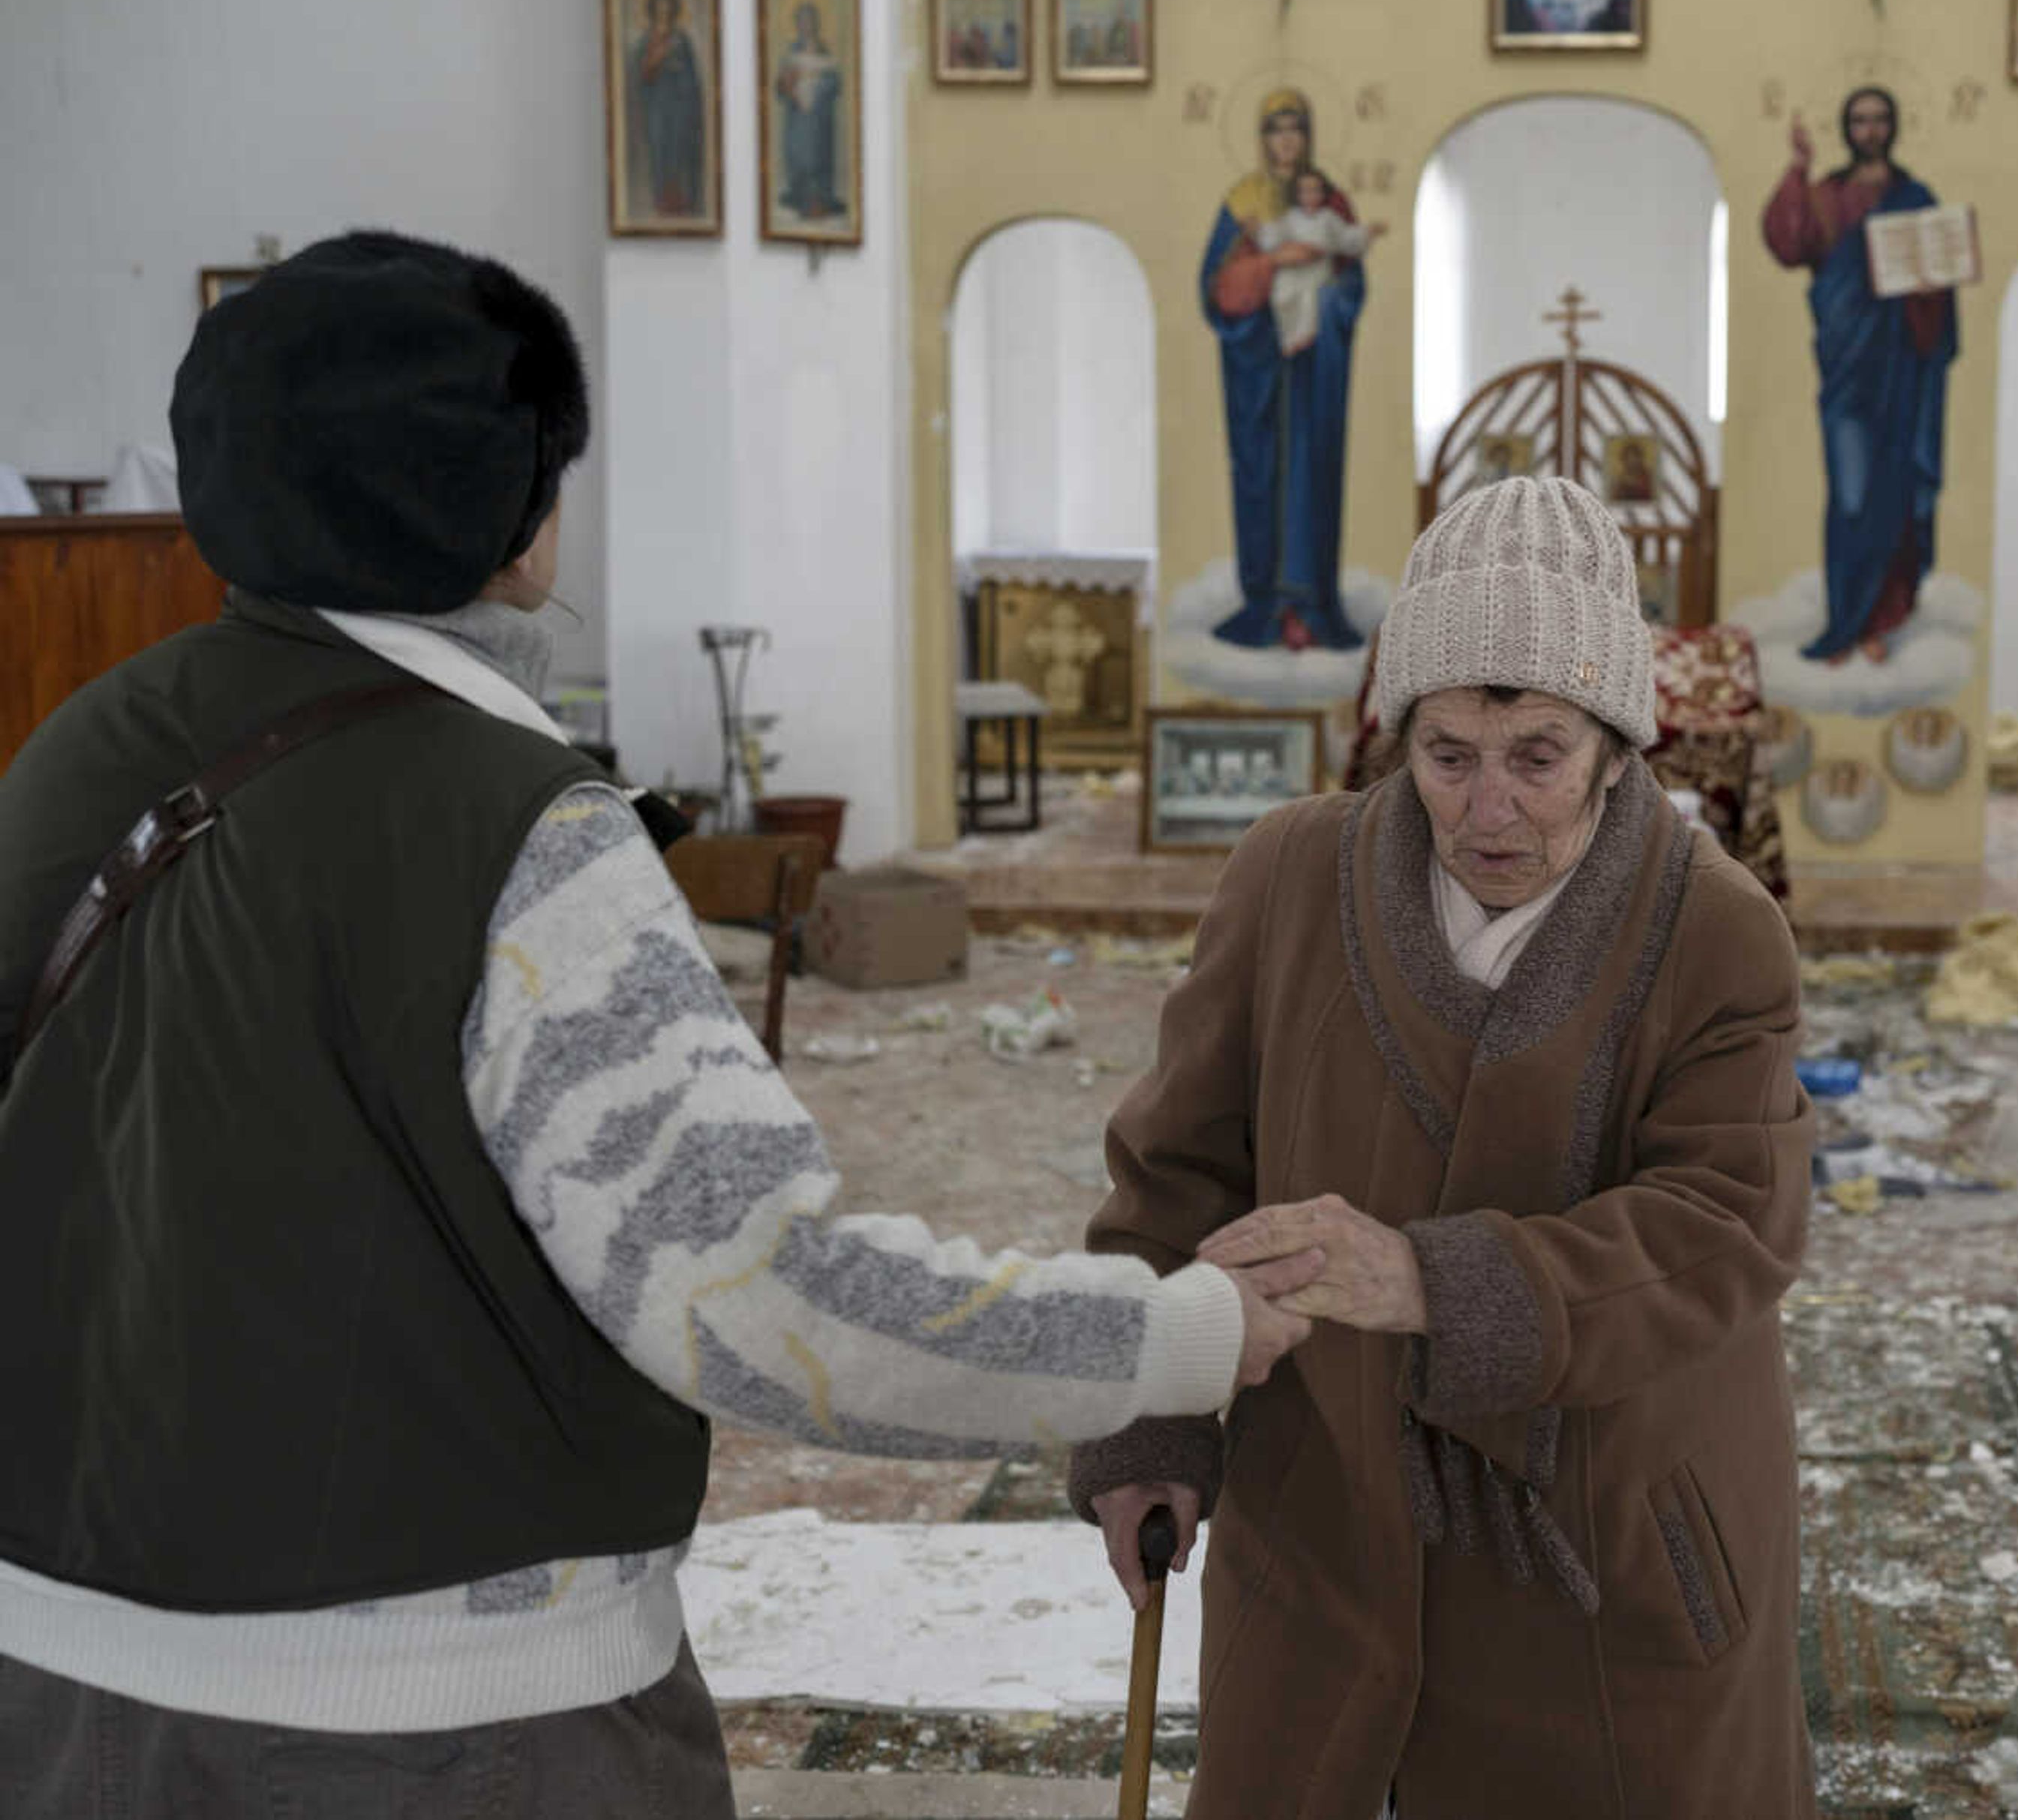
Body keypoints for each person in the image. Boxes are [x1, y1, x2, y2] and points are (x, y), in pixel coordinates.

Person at [0, 232, 1314, 1818]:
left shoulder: (77, 752)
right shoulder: (511, 825)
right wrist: (1182, 1331)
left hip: (57, 1688)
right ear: (527, 519)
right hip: (434, 1728)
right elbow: (760, 1297)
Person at [1069, 476, 1818, 1817]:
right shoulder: (1292, 879)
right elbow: (1177, 1174)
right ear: (1397, 732)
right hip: (1328, 1520)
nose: (1485, 810)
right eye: (1446, 753)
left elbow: (1729, 1225)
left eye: (1535, 755)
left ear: (1611, 739)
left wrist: (1428, 1283)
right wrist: (1147, 1417)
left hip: (1606, 1546)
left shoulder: (1714, 928)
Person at [1763, 86, 1960, 662]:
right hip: (1848, 370)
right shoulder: (1828, 196)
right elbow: (1789, 242)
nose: (1870, 129)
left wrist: (1930, 291)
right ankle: (1845, 620)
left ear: (1894, 126)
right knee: (1851, 495)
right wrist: (1798, 168)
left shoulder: (1916, 198)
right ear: (1846, 128)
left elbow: (1940, 281)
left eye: (1879, 120)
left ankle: (1880, 620)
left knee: (1894, 494)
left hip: (1903, 370)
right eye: (1859, 120)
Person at [1200, 90, 1367, 651]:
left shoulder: (1332, 204)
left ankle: (1314, 607)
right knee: (1261, 479)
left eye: (1297, 129)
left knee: (1312, 479)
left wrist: (1326, 308)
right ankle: (1265, 606)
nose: (1287, 141)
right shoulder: (1244, 200)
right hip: (1260, 370)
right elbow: (1215, 289)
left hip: (1316, 371)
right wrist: (1268, 269)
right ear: (1262, 138)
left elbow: (1352, 283)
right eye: (1276, 130)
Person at [1254, 167, 1385, 359]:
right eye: (1305, 190)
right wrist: (1261, 231)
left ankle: (1303, 338)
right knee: (1281, 296)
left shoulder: (1328, 219)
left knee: (1312, 300)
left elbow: (1346, 238)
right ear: (1297, 194)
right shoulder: (1291, 218)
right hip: (1292, 272)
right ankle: (1288, 339)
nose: (1310, 195)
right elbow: (1274, 235)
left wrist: (1367, 232)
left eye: (1315, 190)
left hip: (1317, 272)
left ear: (1323, 193)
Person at [629, 0, 704, 217]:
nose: (664, 12)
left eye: (667, 8)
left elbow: (693, 77)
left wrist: (681, 78)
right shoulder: (646, 40)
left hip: (681, 105)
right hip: (657, 106)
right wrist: (655, 62)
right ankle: (662, 199)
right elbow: (639, 77)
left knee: (680, 151)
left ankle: (683, 200)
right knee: (660, 149)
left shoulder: (682, 39)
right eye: (659, 9)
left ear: (673, 10)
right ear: (653, 11)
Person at [775, 1, 845, 221]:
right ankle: (802, 198)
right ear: (798, 24)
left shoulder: (825, 51)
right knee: (800, 156)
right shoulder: (791, 52)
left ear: (817, 23)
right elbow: (780, 86)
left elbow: (835, 82)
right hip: (798, 117)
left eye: (811, 20)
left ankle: (820, 200)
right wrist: (791, 89)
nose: (807, 25)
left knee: (820, 156)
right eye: (803, 20)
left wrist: (817, 91)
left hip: (820, 116)